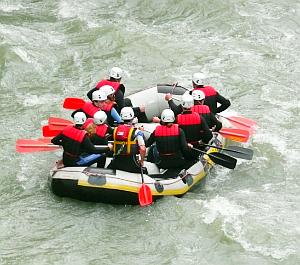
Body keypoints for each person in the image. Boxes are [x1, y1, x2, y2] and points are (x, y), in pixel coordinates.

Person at [108, 107, 146, 173]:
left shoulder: (115, 130)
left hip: (116, 162)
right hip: (131, 162)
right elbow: (143, 149)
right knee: (145, 171)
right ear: (132, 117)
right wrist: (141, 161)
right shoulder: (137, 132)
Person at [176, 94, 213, 159]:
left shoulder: (177, 118)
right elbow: (209, 135)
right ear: (192, 105)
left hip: (183, 151)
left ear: (182, 105)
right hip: (197, 148)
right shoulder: (199, 117)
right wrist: (202, 141)